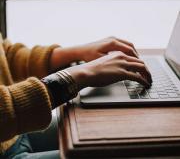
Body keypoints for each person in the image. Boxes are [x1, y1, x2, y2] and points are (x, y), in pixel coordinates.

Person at [0, 33, 152, 159]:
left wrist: (76, 52)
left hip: (13, 134)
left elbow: (5, 56)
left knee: (119, 132)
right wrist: (76, 76)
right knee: (125, 153)